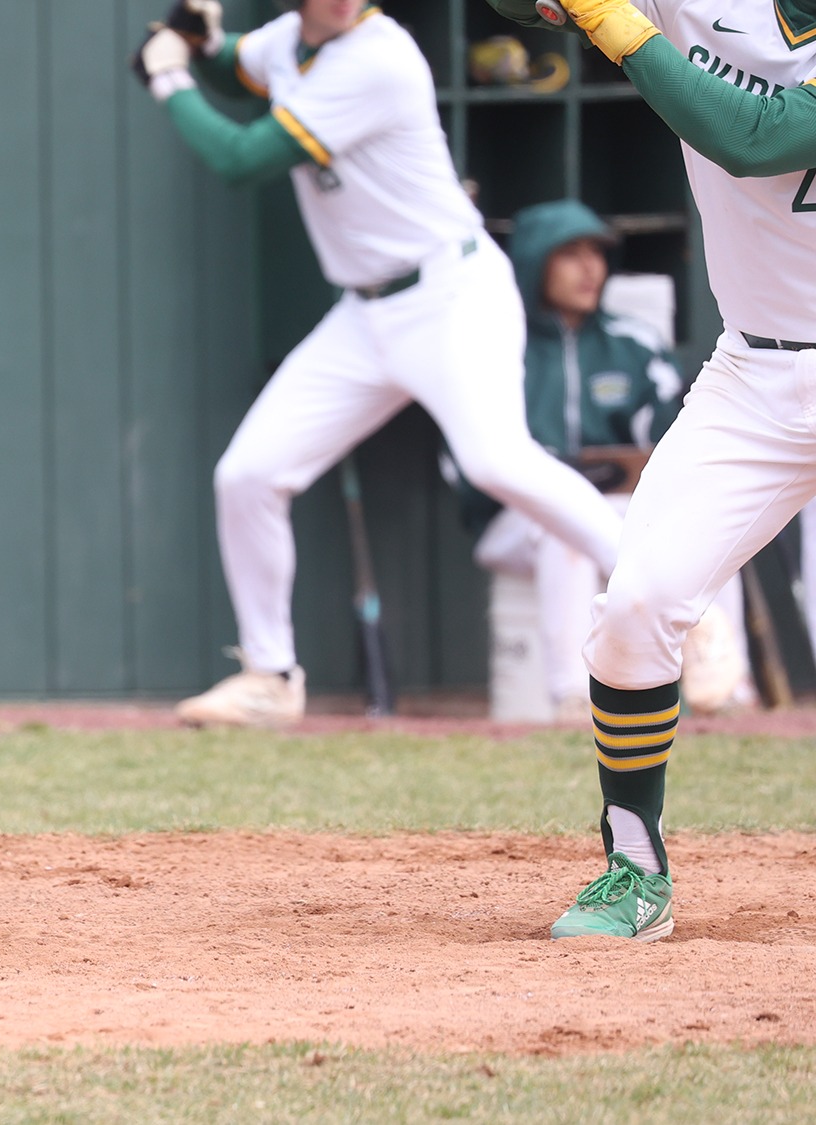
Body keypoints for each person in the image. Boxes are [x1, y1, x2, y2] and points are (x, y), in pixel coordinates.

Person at [130, 0, 626, 727]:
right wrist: (201, 42)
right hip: (366, 313)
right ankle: (271, 675)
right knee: (249, 474)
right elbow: (241, 69)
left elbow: (242, 159)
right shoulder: (289, 40)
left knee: (498, 460)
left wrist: (170, 79)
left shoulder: (378, 57)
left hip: (451, 292)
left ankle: (678, 603)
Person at [484, 0, 816, 941]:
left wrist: (614, 24)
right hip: (753, 375)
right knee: (634, 609)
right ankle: (635, 869)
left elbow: (757, 138)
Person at [460, 199, 750, 722]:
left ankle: (728, 689)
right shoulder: (495, 343)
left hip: (620, 507)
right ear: (532, 260)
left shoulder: (632, 342)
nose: (590, 266)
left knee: (704, 529)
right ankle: (572, 694)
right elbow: (468, 465)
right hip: (513, 523)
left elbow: (672, 441)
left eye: (596, 251)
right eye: (569, 253)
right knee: (562, 530)